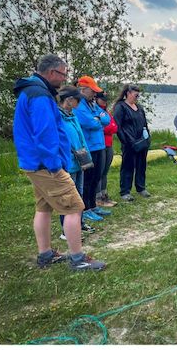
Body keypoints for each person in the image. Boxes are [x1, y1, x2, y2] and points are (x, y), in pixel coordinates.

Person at [12, 54, 105, 271]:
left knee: (43, 207)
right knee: (74, 207)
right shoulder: (39, 95)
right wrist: (55, 165)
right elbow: (45, 134)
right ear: (52, 72)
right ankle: (78, 259)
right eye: (63, 74)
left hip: (36, 163)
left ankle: (45, 254)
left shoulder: (32, 91)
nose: (64, 79)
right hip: (46, 165)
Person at [56, 86, 97, 238]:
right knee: (68, 197)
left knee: (79, 195)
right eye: (78, 100)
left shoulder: (72, 116)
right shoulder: (57, 117)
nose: (79, 103)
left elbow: (80, 137)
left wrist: (87, 157)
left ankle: (79, 223)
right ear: (69, 100)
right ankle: (66, 230)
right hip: (67, 162)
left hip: (79, 160)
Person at [73, 76, 111, 221]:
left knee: (96, 178)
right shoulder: (79, 105)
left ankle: (93, 205)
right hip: (88, 147)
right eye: (92, 91)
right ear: (83, 89)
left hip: (99, 145)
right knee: (87, 180)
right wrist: (98, 120)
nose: (95, 94)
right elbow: (89, 123)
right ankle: (86, 208)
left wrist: (98, 118)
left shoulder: (92, 104)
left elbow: (106, 118)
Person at [113, 84, 151, 202]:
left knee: (141, 165)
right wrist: (125, 141)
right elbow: (118, 126)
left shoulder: (139, 108)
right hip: (129, 142)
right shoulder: (121, 107)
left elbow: (144, 124)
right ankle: (125, 191)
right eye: (135, 95)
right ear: (128, 93)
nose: (137, 97)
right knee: (128, 167)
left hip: (141, 141)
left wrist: (147, 138)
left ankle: (141, 187)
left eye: (138, 95)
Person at [95, 90, 119, 207]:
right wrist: (108, 127)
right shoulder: (95, 111)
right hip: (100, 144)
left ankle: (104, 195)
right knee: (99, 171)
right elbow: (103, 127)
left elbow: (114, 127)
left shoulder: (106, 113)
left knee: (105, 171)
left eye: (106, 100)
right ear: (96, 99)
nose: (104, 102)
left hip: (109, 144)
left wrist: (108, 127)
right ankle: (98, 196)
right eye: (102, 100)